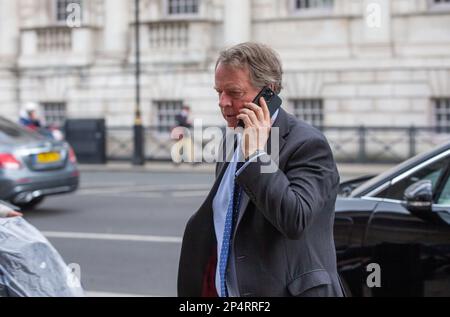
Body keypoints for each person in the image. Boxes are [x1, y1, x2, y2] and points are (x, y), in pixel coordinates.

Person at [177, 42, 344, 297]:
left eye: (233, 92)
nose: (223, 102)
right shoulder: (232, 138)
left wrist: (257, 156)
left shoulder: (308, 144)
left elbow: (295, 218)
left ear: (268, 92)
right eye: (218, 92)